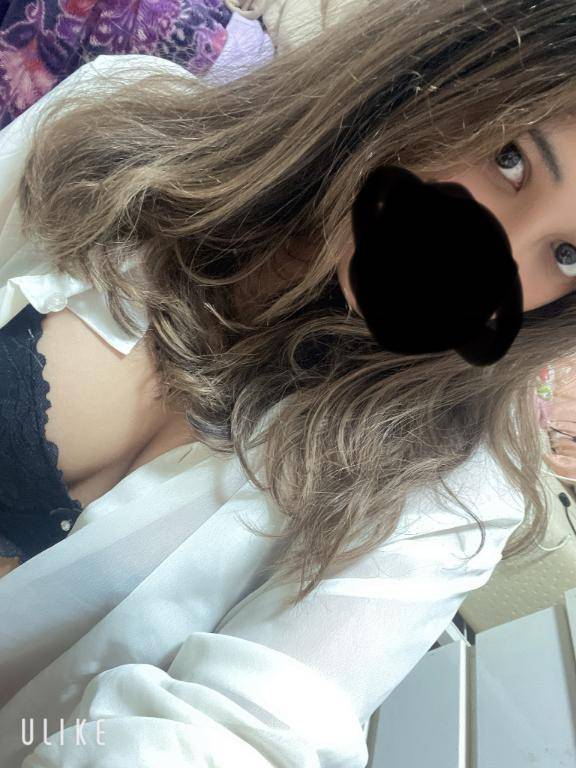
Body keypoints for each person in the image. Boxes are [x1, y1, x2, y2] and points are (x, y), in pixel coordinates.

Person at [1, 1, 575, 765]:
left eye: (567, 255)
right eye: (509, 158)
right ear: (433, 78)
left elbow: (252, 730)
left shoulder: (451, 489)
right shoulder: (121, 128)